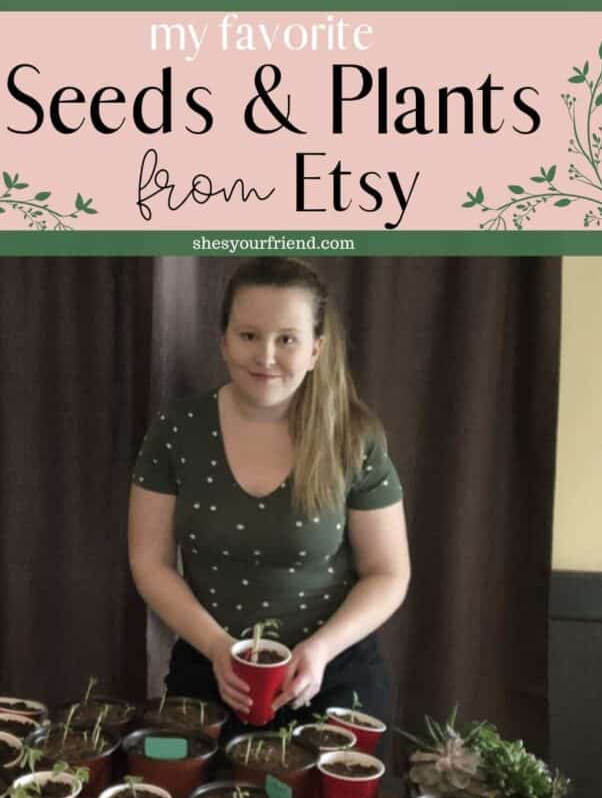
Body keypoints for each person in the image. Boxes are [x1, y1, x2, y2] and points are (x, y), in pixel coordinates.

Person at [129, 258, 410, 737]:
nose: (266, 357)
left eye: (287, 338)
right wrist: (218, 647)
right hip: (207, 674)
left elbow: (389, 573)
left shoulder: (354, 436)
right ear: (223, 341)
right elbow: (150, 563)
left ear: (316, 350)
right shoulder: (176, 431)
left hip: (334, 677)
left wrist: (320, 650)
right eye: (249, 335)